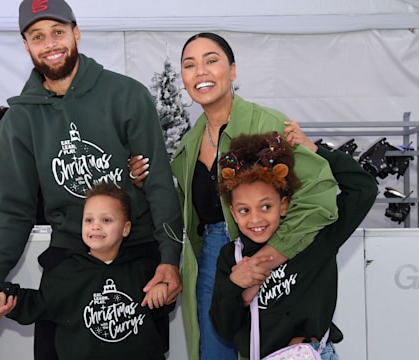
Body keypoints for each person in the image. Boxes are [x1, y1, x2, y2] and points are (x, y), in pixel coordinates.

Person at [0, 1, 183, 359]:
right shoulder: (20, 119)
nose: (50, 43)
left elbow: (159, 183)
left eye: (58, 32)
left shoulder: (126, 95)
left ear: (76, 33)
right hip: (68, 261)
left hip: (136, 257)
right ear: (26, 45)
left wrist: (169, 258)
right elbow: (14, 210)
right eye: (37, 36)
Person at [128, 33, 339, 360]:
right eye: (190, 65)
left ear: (233, 70)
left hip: (278, 255)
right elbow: (186, 213)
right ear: (183, 79)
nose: (200, 71)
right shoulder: (187, 147)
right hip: (213, 262)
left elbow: (320, 196)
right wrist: (146, 186)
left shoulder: (268, 128)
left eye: (211, 60)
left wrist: (267, 258)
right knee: (214, 350)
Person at [209, 130, 377, 359]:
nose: (256, 219)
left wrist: (316, 152)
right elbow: (224, 329)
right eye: (244, 210)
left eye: (266, 206)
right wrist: (234, 285)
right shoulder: (232, 256)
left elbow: (363, 188)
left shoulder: (317, 238)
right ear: (233, 213)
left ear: (284, 205)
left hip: (316, 352)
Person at [0, 182, 173, 359]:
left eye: (106, 220)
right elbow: (35, 303)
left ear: (125, 228)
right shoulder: (66, 274)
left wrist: (163, 292)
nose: (96, 226)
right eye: (89, 220)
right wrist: (4, 298)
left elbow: (161, 307)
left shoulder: (144, 270)